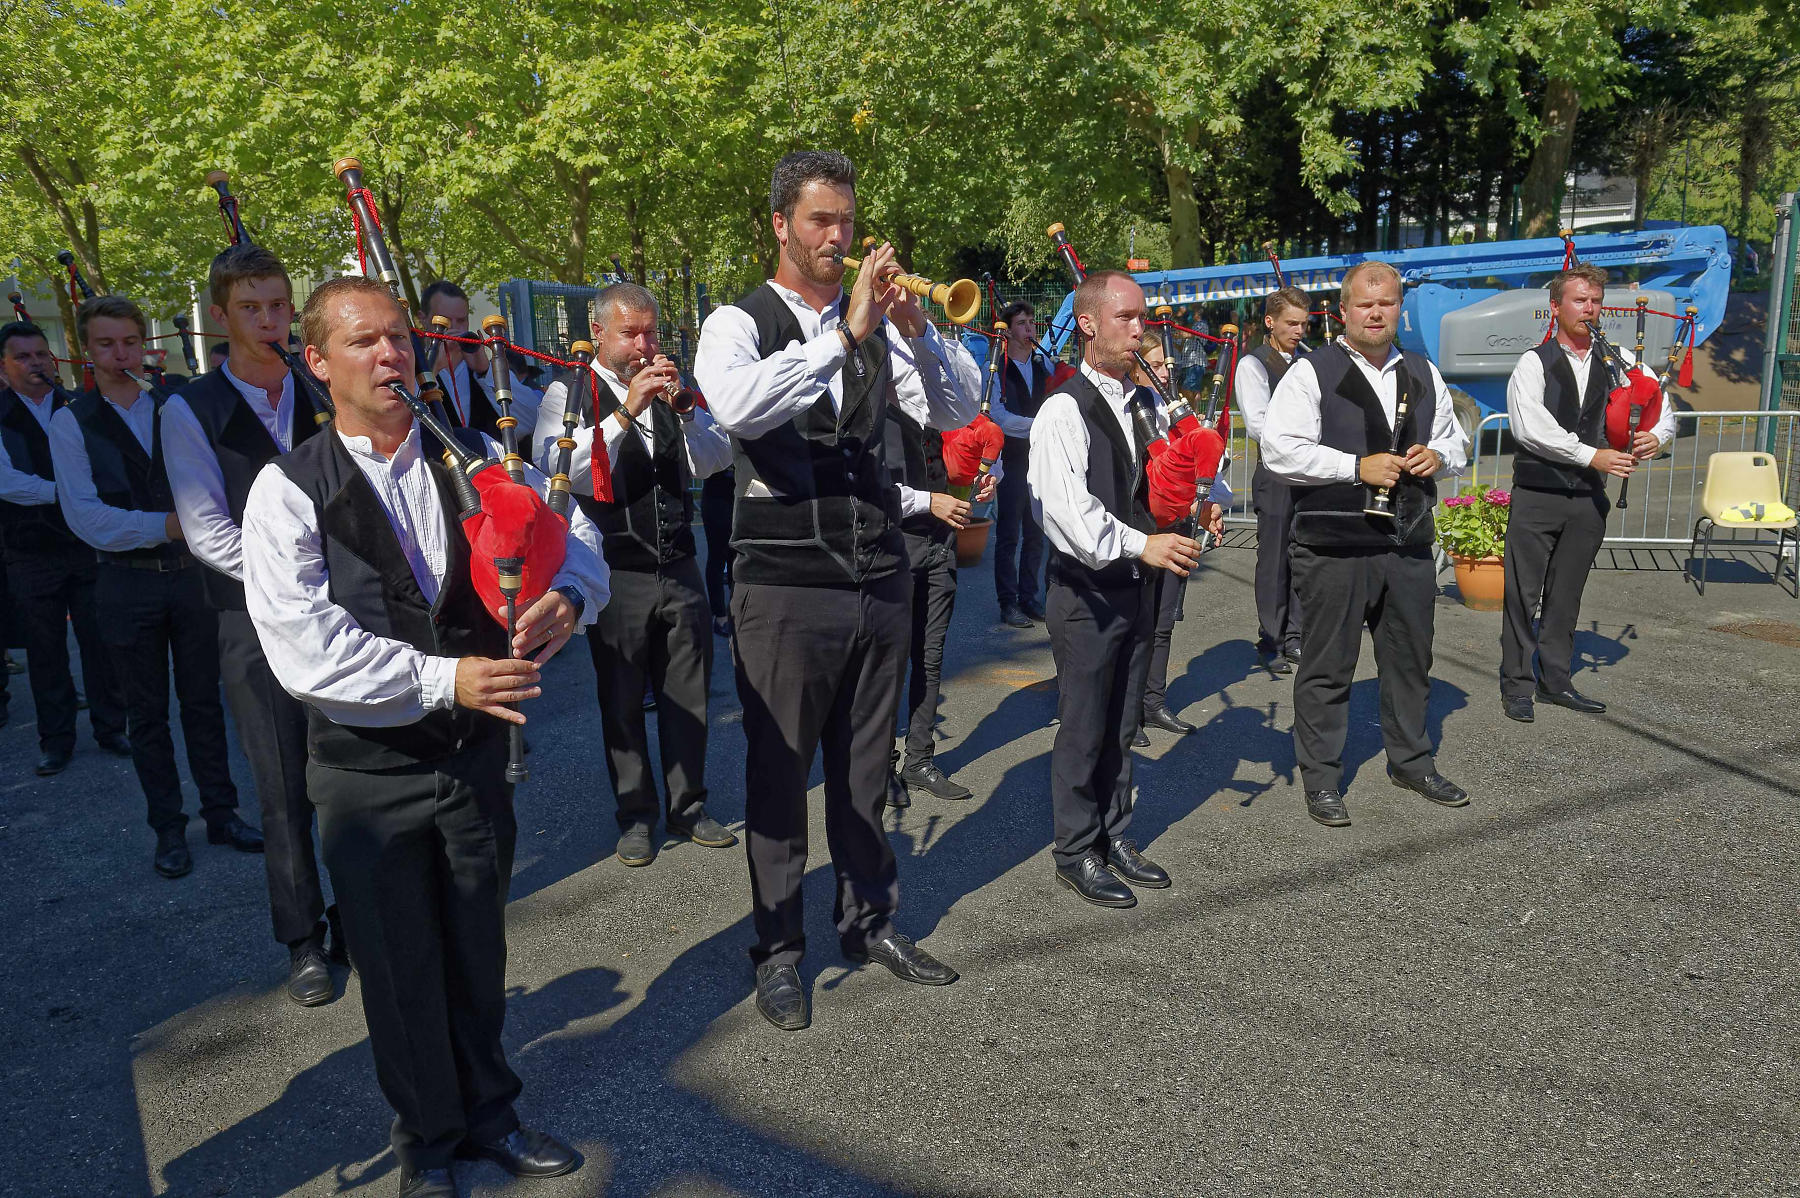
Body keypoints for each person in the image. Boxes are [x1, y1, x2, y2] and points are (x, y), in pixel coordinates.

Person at [242, 276, 606, 1198]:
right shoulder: (287, 490)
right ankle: (428, 1143)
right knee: (400, 970)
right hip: (366, 774)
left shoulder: (471, 455)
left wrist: (571, 596)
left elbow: (572, 533)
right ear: (318, 363)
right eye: (363, 342)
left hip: (471, 762)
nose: (390, 354)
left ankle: (491, 1115)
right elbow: (304, 651)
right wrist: (448, 679)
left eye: (399, 337)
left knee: (477, 952)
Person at [695, 150, 978, 1031]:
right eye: (822, 220)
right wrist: (845, 335)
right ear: (781, 225)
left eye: (848, 221)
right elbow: (738, 407)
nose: (839, 237)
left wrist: (919, 332)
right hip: (784, 587)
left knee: (864, 772)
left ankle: (870, 921)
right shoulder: (735, 323)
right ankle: (779, 951)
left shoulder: (876, 326)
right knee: (779, 778)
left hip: (877, 576)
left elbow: (957, 410)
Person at [162, 244, 342, 1006]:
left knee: (351, 774)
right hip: (250, 620)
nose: (268, 321)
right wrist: (298, 579)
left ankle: (361, 913)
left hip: (344, 608)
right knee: (281, 783)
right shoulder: (189, 409)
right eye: (250, 308)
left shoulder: (319, 386)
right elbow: (206, 529)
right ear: (219, 316)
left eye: (277, 306)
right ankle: (303, 939)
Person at [48, 295, 257, 879]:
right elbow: (85, 517)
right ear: (86, 351)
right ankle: (168, 828)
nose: (120, 355)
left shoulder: (173, 406)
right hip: (125, 583)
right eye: (106, 344)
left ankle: (222, 813)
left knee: (204, 703)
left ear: (144, 345)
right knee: (145, 714)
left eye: (129, 342)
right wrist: (169, 525)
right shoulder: (70, 421)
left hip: (190, 578)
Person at [531, 281, 737, 868]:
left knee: (688, 693)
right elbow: (555, 469)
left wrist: (687, 413)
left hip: (678, 562)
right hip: (613, 569)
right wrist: (626, 413)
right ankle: (636, 815)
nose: (644, 346)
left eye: (651, 333)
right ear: (598, 332)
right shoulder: (568, 391)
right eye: (631, 334)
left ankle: (688, 806)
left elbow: (715, 459)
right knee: (621, 698)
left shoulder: (670, 388)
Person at [1262, 261, 1470, 828]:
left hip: (1406, 541)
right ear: (1344, 311)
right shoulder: (1311, 373)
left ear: (1399, 308)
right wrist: (1355, 467)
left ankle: (1411, 762)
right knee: (1328, 665)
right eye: (1364, 304)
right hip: (1333, 544)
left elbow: (1457, 441)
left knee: (1410, 660)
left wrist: (1440, 456)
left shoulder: (1423, 371)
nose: (1376, 313)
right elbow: (1279, 450)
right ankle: (1322, 778)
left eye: (1387, 303)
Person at [1029, 270, 1198, 908]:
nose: (1138, 329)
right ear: (1088, 324)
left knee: (1124, 721)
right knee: (1084, 725)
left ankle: (1113, 833)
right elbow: (1067, 514)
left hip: (1137, 586)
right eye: (1125, 318)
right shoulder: (1063, 409)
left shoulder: (1144, 405)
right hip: (1086, 593)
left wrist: (1195, 504)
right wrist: (1141, 544)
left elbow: (1157, 485)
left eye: (1141, 318)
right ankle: (1076, 849)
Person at [1500, 266, 1673, 721]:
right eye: (1579, 300)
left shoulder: (1620, 361)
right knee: (1522, 595)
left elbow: (1659, 405)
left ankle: (1555, 681)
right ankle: (1516, 685)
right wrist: (1591, 455)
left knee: (1567, 594)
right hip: (1537, 494)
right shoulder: (1533, 362)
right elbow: (1530, 427)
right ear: (1555, 308)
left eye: (1595, 301)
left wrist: (1656, 437)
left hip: (1589, 500)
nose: (1589, 308)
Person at [0, 321, 129, 774]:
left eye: (41, 354)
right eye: (23, 357)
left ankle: (111, 727)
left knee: (100, 641)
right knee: (45, 648)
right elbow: (6, 482)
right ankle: (56, 740)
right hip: (30, 550)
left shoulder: (76, 406)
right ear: (3, 366)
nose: (35, 363)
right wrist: (67, 492)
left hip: (84, 544)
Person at [888, 362, 998, 805]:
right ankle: (880, 766)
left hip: (940, 547)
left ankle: (918, 760)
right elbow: (867, 490)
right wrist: (929, 502)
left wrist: (982, 481)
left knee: (929, 660)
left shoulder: (939, 415)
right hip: (893, 550)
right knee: (888, 665)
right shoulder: (878, 414)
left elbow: (956, 469)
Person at [1130, 339, 1227, 744]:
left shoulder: (1175, 409)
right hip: (1142, 526)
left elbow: (1202, 467)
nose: (1164, 373)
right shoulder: (1131, 405)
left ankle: (1153, 702)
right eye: (1155, 365)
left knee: (1164, 620)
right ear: (1136, 367)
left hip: (1177, 524)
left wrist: (1209, 503)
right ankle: (1127, 713)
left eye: (1165, 365)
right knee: (1137, 622)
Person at [1237, 286, 1311, 674]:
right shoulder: (1253, 365)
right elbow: (1258, 424)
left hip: (1308, 473)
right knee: (1274, 559)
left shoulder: (1308, 362)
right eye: (1291, 323)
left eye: (1303, 324)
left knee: (1303, 555)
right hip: (1276, 474)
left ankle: (1295, 635)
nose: (1299, 331)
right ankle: (1271, 639)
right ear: (1270, 322)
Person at [991, 300, 1050, 627]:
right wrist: (1043, 425)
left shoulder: (1043, 366)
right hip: (1012, 461)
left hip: (1040, 460)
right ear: (1008, 332)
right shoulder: (996, 369)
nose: (1030, 329)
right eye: (1022, 323)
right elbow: (999, 418)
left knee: (1036, 533)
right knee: (1009, 535)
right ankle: (1008, 602)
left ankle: (1029, 597)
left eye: (1031, 322)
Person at [422, 281, 504, 435]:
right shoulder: (409, 365)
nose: (453, 329)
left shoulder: (486, 367)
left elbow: (528, 421)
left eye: (461, 321)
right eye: (443, 321)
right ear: (423, 319)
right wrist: (432, 369)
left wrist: (485, 372)